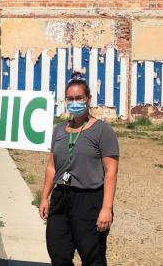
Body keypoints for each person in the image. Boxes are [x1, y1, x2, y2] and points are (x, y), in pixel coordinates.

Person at [39, 71, 119, 266]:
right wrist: (44, 197)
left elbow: (111, 172)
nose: (75, 102)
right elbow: (52, 166)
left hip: (89, 199)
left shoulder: (102, 131)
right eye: (70, 99)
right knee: (58, 252)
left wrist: (106, 208)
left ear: (88, 99)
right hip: (61, 197)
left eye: (79, 98)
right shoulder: (58, 130)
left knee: (92, 256)